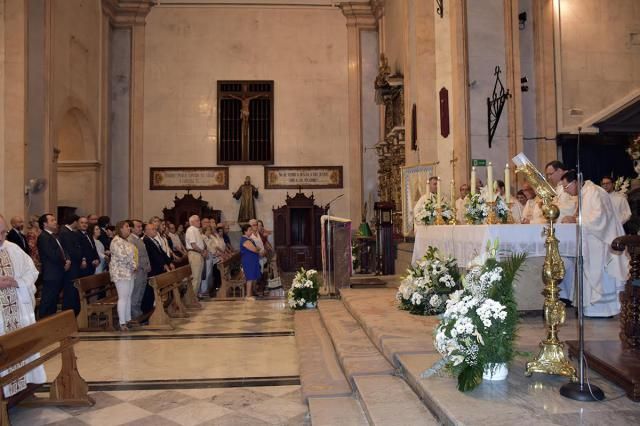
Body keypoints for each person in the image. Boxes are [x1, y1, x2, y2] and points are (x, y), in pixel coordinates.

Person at [560, 170, 629, 317]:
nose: (566, 191)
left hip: (601, 242)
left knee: (599, 274)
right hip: (590, 241)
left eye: (567, 187)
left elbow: (599, 218)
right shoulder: (585, 192)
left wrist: (576, 220)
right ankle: (590, 308)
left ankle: (603, 310)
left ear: (577, 182)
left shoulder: (595, 192)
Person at [0, 214, 46, 397]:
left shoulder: (14, 249)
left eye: (3, 232)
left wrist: (16, 282)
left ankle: (24, 386)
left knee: (21, 346)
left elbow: (32, 272)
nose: (1, 237)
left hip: (17, 311)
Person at [37, 214, 71, 318]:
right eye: (52, 220)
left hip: (58, 272)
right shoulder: (43, 237)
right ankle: (42, 323)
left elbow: (63, 249)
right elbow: (52, 255)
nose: (55, 222)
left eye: (55, 219)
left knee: (54, 300)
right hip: (51, 273)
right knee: (47, 300)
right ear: (45, 224)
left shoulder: (54, 235)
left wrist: (68, 260)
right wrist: (64, 261)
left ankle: (51, 322)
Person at [109, 221, 138, 331]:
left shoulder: (126, 241)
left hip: (129, 272)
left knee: (128, 296)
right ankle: (122, 323)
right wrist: (133, 265)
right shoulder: (116, 241)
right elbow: (123, 256)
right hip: (121, 273)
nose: (129, 228)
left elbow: (133, 255)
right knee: (123, 297)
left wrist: (134, 265)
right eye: (126, 227)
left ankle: (128, 319)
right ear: (120, 228)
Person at [58, 215, 82, 315]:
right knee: (70, 290)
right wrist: (79, 255)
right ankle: (69, 312)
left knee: (73, 289)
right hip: (71, 265)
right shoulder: (64, 232)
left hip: (74, 265)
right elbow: (69, 249)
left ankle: (74, 310)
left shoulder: (69, 232)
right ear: (75, 222)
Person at [128, 220, 151, 320]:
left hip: (143, 270)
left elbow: (145, 254)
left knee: (141, 291)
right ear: (132, 228)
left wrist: (148, 265)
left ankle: (138, 312)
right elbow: (134, 256)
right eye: (138, 227)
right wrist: (143, 266)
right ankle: (135, 314)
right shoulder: (131, 240)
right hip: (138, 270)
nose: (141, 228)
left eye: (141, 227)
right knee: (136, 293)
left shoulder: (138, 239)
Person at [239, 223, 264, 299]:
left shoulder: (249, 239)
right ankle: (248, 295)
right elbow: (255, 249)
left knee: (252, 277)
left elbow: (257, 248)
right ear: (245, 231)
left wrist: (258, 249)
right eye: (249, 230)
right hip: (248, 261)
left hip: (252, 260)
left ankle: (251, 293)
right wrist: (258, 250)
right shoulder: (244, 240)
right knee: (249, 278)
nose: (251, 231)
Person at [185, 215, 206, 295]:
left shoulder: (197, 230)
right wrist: (202, 252)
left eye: (199, 220)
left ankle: (194, 297)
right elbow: (193, 245)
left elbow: (200, 243)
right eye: (197, 220)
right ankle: (191, 298)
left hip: (198, 254)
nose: (199, 222)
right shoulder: (191, 230)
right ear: (192, 222)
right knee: (195, 277)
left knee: (199, 277)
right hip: (194, 254)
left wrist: (204, 251)